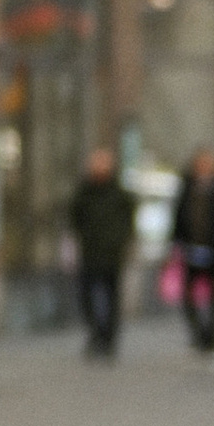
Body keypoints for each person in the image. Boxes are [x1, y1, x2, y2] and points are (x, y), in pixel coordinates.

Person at [69, 148, 136, 357]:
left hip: (112, 255)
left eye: (104, 163)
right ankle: (94, 334)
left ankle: (108, 338)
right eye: (96, 163)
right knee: (87, 297)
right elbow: (74, 218)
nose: (99, 168)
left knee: (112, 296)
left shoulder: (120, 194)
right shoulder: (83, 192)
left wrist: (121, 242)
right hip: (89, 253)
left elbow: (128, 221)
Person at [173, 146, 214, 352]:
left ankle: (213, 335)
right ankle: (198, 333)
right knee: (189, 294)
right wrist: (177, 242)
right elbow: (178, 219)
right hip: (191, 249)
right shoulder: (186, 189)